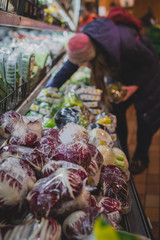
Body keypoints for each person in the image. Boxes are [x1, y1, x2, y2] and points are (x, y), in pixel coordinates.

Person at [46, 10, 160, 175]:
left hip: (147, 74)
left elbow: (151, 61)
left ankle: (141, 157)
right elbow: (70, 66)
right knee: (117, 110)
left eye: (85, 63)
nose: (84, 66)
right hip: (123, 71)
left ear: (91, 57)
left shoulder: (125, 42)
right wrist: (51, 87)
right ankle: (124, 154)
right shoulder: (85, 41)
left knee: (145, 117)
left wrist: (135, 86)